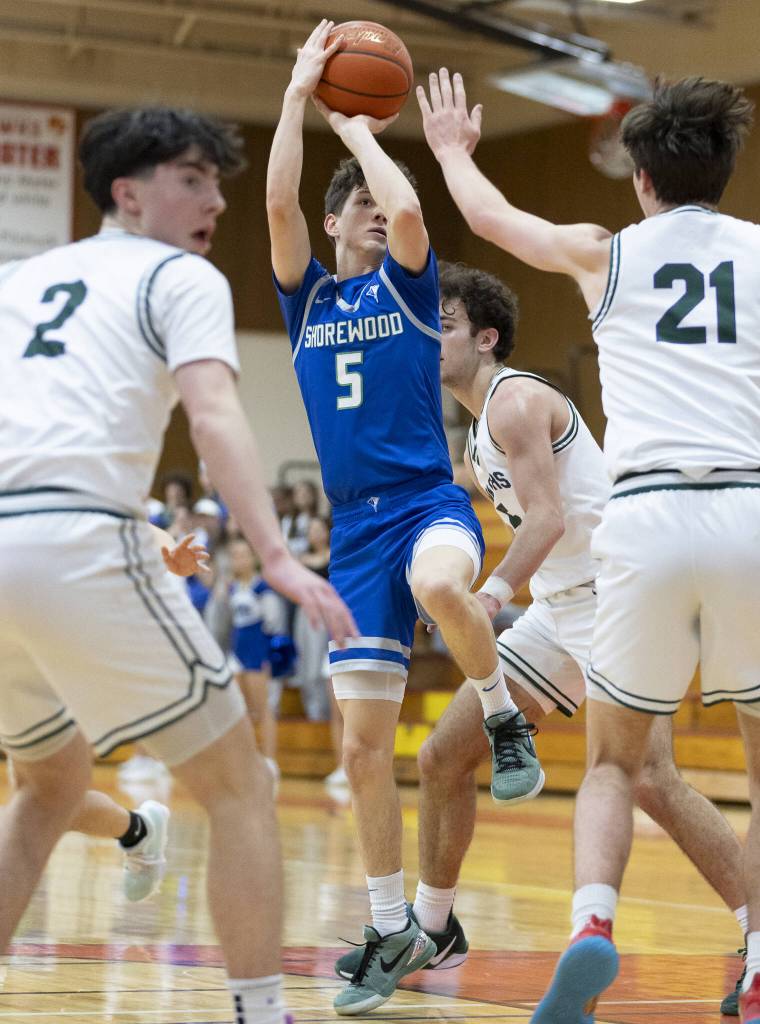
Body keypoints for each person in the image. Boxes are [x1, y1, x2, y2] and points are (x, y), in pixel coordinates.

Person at [0, 103, 355, 1024]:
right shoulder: (178, 276)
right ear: (128, 192)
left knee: (46, 787)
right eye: (191, 179)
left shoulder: (22, 278)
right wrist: (273, 554)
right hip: (77, 541)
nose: (214, 201)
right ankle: (261, 1010)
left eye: (217, 182)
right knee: (241, 787)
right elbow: (214, 417)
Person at [417, 70, 760, 1022]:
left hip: (643, 531)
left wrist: (451, 151)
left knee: (616, 766)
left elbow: (492, 222)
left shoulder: (606, 252)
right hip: (748, 513)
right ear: (727, 171)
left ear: (641, 181)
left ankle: (593, 925)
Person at [333, 260, 748, 1011]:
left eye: (446, 327)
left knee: (650, 778)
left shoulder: (516, 401)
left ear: (486, 338)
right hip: (561, 608)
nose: (429, 339)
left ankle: (756, 937)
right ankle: (433, 926)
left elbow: (550, 518)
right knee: (440, 756)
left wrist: (489, 591)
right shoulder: (473, 434)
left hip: (615, 597)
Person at [266, 19, 544, 1016]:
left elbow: (413, 206)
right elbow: (277, 204)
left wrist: (359, 129)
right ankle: (392, 926)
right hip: (352, 532)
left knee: (442, 586)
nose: (378, 220)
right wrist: (298, 99)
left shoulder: (412, 285)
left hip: (428, 503)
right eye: (362, 215)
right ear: (338, 224)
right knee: (357, 751)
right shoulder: (306, 303)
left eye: (380, 213)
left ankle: (504, 720)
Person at [227, 536, 280, 784]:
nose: (237, 560)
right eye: (234, 555)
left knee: (262, 708)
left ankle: (269, 762)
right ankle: (246, 762)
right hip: (237, 652)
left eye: (242, 555)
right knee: (240, 711)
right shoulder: (231, 588)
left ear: (253, 559)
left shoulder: (262, 588)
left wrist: (268, 656)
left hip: (256, 653)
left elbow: (272, 624)